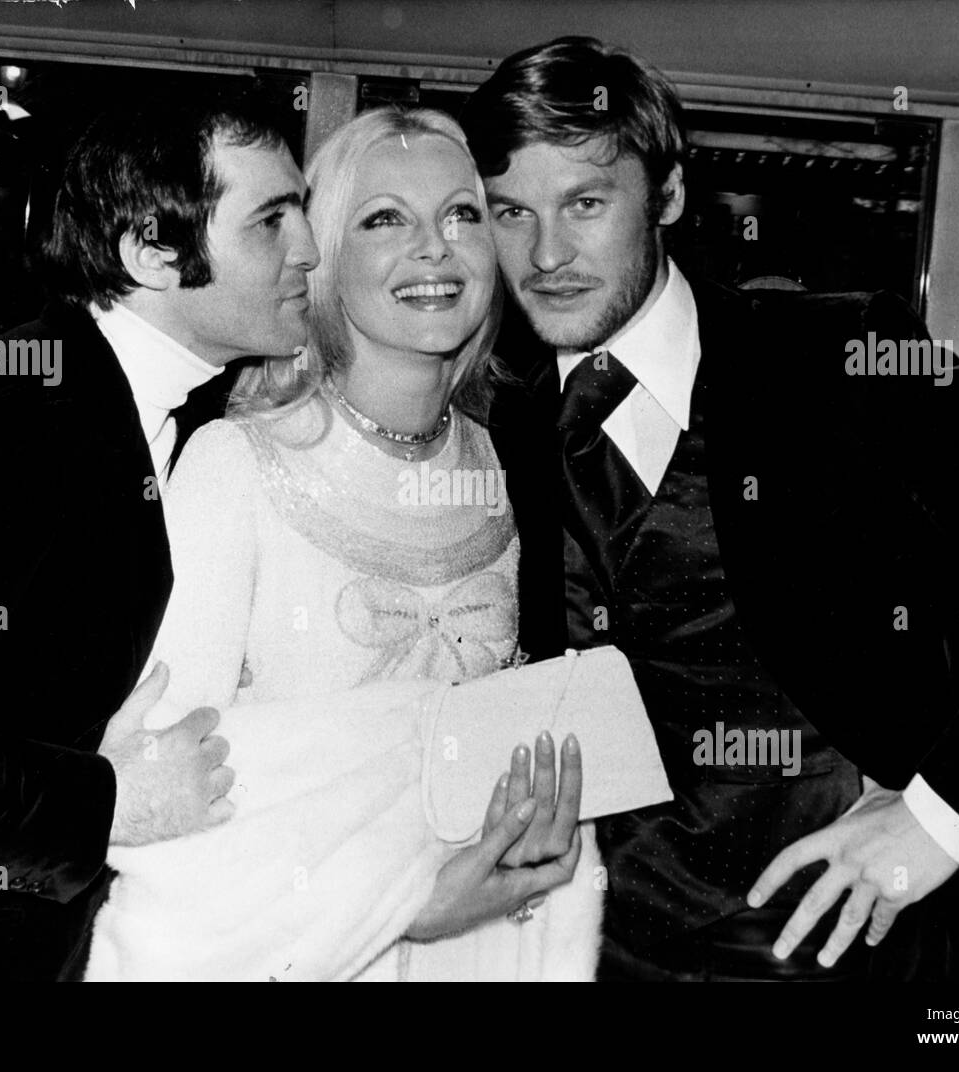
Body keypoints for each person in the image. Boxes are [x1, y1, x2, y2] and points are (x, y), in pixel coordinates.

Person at [461, 36, 959, 981]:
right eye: (512, 211)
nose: (546, 254)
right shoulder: (486, 407)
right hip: (578, 943)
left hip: (840, 937)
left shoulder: (847, 356)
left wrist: (941, 816)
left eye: (586, 203)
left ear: (669, 196)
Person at [0, 93, 318, 980]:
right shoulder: (8, 421)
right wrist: (110, 803)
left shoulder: (150, 402)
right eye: (271, 220)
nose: (309, 248)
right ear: (151, 252)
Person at [88, 107, 610, 981]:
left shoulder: (524, 469)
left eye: (463, 214)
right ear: (321, 255)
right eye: (384, 220)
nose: (435, 249)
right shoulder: (233, 466)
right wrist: (403, 906)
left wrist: (523, 852)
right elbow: (157, 806)